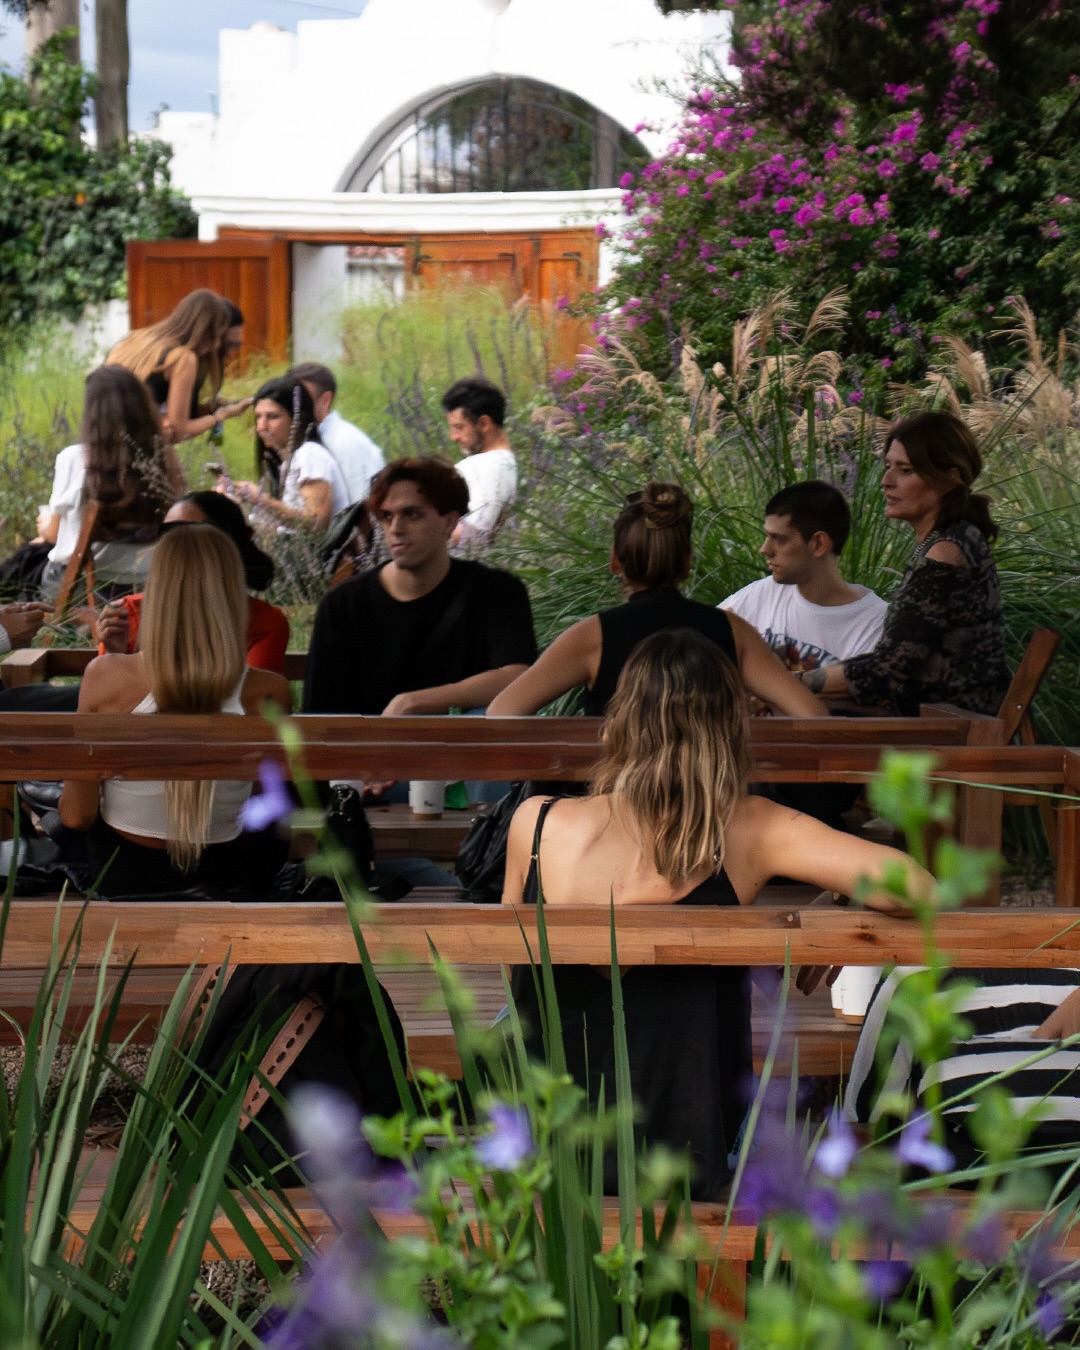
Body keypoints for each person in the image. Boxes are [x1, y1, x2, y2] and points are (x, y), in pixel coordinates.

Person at [502, 629, 931, 1200]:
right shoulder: (750, 828)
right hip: (691, 1160)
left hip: (549, 1159)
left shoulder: (536, 824)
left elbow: (514, 977)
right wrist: (842, 900)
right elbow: (919, 888)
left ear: (618, 722)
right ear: (732, 728)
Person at [58, 525, 291, 898]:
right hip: (228, 876)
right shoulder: (268, 691)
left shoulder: (104, 676)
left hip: (127, 879)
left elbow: (77, 815)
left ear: (156, 592)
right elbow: (262, 799)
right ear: (232, 595)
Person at [487, 482, 825, 718]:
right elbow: (812, 715)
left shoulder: (591, 637)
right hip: (712, 796)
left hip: (614, 795)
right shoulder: (733, 631)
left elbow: (502, 712)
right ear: (687, 562)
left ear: (615, 561)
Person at [791, 413, 1011, 715]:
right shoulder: (955, 538)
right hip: (936, 717)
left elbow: (888, 670)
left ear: (950, 478)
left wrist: (789, 683)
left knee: (782, 708)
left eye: (905, 470)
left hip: (949, 725)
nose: (886, 482)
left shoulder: (946, 553)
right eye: (888, 467)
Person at [303, 456, 537, 718]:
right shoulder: (342, 605)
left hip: (466, 741)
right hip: (370, 742)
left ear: (449, 522)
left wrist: (414, 702)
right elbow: (320, 714)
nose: (396, 528)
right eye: (387, 516)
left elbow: (517, 675)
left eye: (411, 514)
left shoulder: (496, 591)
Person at [96, 491, 290, 676]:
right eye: (166, 534)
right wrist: (116, 655)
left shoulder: (263, 623)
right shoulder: (128, 615)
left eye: (190, 534)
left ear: (228, 546)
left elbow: (255, 697)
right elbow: (106, 696)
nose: (173, 545)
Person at [36, 365, 183, 600]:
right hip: (146, 583)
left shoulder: (75, 459)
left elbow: (54, 535)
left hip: (88, 588)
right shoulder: (162, 460)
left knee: (27, 561)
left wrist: (44, 526)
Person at [721, 481, 887, 673]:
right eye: (767, 536)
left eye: (779, 539)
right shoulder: (763, 593)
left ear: (819, 544)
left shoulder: (875, 624)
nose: (764, 549)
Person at [108, 290, 251, 444]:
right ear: (206, 331)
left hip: (100, 432)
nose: (216, 345)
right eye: (217, 337)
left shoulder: (135, 339)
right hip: (126, 444)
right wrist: (220, 416)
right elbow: (178, 432)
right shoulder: (183, 358)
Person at [227, 377, 349, 533]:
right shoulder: (291, 461)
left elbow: (315, 524)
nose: (261, 426)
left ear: (297, 419)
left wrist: (261, 499)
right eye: (258, 417)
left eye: (272, 417)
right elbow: (288, 532)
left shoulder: (310, 455)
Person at [287, 361, 384, 506]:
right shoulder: (303, 440)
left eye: (302, 398)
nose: (293, 405)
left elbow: (363, 505)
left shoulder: (346, 443)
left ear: (325, 400)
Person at [442, 377, 517, 547]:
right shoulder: (500, 463)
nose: (453, 437)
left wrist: (417, 532)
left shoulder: (492, 467)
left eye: (459, 427)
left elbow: (473, 535)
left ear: (484, 423)